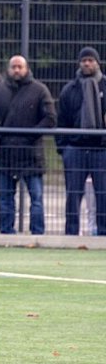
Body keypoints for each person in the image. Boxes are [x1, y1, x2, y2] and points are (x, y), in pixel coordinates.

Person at [0, 55, 56, 235]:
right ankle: (6, 232)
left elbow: (50, 118)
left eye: (20, 66)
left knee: (36, 197)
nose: (17, 70)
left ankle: (37, 233)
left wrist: (31, 135)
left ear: (27, 68)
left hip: (31, 153)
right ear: (8, 68)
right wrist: (1, 133)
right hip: (6, 153)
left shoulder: (39, 90)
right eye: (13, 67)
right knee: (5, 197)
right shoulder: (0, 90)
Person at [55, 46, 106, 235]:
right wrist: (63, 148)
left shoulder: (104, 86)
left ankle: (103, 233)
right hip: (75, 148)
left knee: (103, 194)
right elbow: (62, 120)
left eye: (90, 60)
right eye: (84, 60)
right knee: (73, 195)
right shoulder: (70, 89)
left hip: (101, 149)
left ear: (97, 63)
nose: (87, 63)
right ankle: (71, 233)